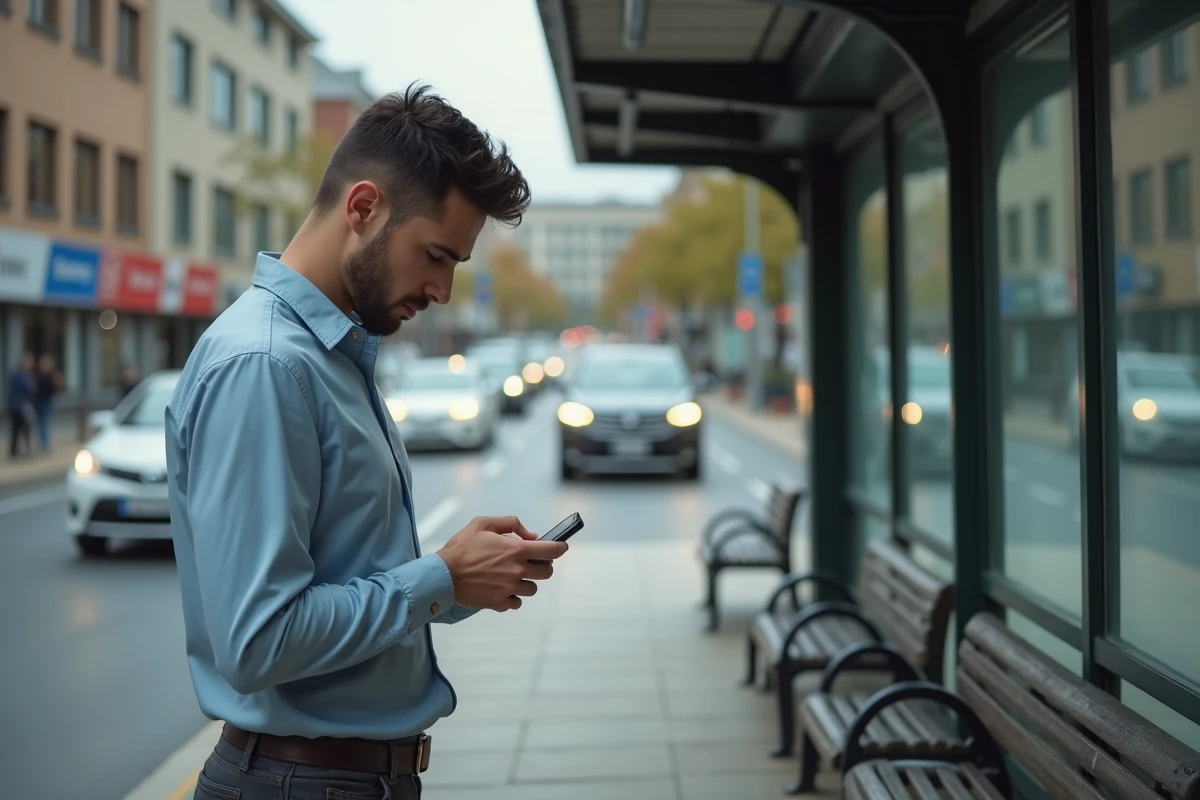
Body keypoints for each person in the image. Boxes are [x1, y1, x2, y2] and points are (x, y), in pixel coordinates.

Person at [165, 84, 567, 800]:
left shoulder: (329, 356)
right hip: (300, 781)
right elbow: (259, 642)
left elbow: (344, 577)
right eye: (436, 255)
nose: (443, 290)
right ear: (362, 208)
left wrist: (460, 577)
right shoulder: (267, 364)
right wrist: (438, 577)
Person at [7, 352, 35, 459]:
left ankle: (16, 451)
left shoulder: (19, 374)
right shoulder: (20, 375)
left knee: (17, 430)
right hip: (20, 407)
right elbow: (27, 391)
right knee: (22, 429)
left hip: (18, 407)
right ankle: (21, 451)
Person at [34, 354, 61, 452]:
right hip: (40, 402)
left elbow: (54, 389)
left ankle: (44, 443)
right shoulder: (40, 376)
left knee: (44, 423)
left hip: (46, 401)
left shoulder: (51, 376)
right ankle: (43, 442)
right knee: (41, 423)